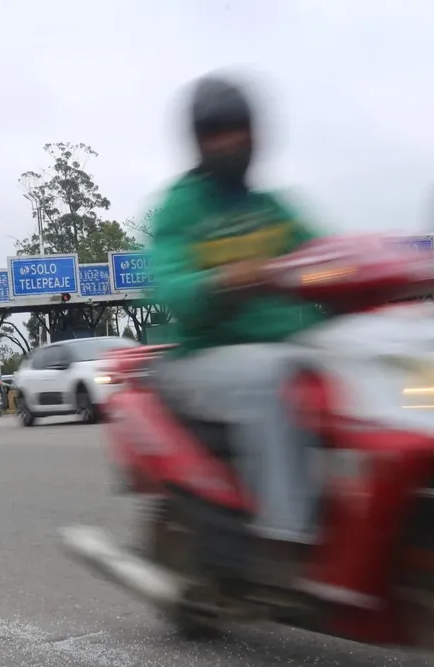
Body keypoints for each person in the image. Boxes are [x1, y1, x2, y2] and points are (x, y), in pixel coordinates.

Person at [149, 73, 327, 560]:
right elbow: (170, 287)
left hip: (284, 345)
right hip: (202, 356)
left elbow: (326, 253)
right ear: (199, 141)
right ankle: (287, 539)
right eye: (217, 132)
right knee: (272, 376)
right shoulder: (180, 209)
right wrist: (222, 281)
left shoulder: (273, 209)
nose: (230, 141)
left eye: (238, 129)